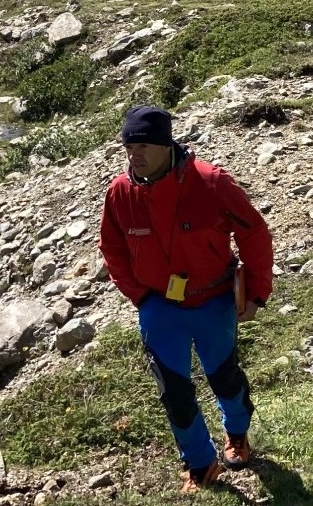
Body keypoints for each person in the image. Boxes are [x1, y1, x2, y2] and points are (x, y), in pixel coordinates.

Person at [99, 106, 274, 494]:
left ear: (166, 145)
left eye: (142, 146)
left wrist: (257, 291)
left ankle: (238, 433)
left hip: (213, 301)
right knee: (174, 392)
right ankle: (199, 461)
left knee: (224, 378)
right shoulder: (120, 192)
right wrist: (141, 297)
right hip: (159, 307)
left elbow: (254, 233)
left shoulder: (211, 182)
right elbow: (112, 248)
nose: (134, 155)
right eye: (129, 147)